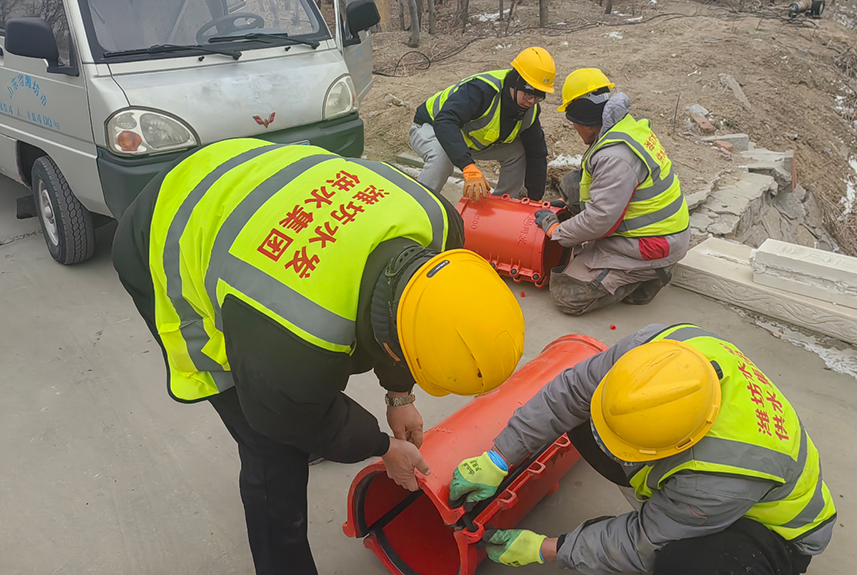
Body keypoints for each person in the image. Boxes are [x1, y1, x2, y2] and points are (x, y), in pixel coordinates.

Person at [112, 138, 525, 575]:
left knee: (299, 404)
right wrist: (382, 447)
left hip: (244, 172)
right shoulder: (290, 334)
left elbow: (410, 306)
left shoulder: (438, 221)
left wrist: (399, 395)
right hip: (163, 228)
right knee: (270, 445)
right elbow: (283, 410)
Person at [449, 323, 836, 575]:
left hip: (774, 531)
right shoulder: (660, 350)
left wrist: (548, 548)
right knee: (583, 413)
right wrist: (498, 457)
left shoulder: (717, 478)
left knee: (683, 562)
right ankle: (669, 501)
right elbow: (569, 393)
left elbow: (645, 541)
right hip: (710, 483)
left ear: (680, 446)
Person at [533, 69, 690, 316]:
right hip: (658, 229)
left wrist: (556, 231)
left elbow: (600, 220)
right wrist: (566, 204)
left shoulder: (615, 157)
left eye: (572, 120)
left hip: (652, 244)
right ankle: (631, 267)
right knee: (575, 182)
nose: (574, 127)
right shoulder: (624, 128)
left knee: (567, 294)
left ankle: (646, 277)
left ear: (584, 119)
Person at [409, 46, 555, 202]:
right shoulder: (482, 90)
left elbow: (537, 153)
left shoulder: (530, 111)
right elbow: (445, 121)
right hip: (431, 128)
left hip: (466, 142)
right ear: (515, 84)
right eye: (528, 95)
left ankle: (501, 206)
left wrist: (535, 199)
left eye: (537, 98)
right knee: (442, 159)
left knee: (518, 152)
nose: (531, 101)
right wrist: (468, 167)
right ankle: (420, 206)